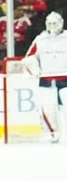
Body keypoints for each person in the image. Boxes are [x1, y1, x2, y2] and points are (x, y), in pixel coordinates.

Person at [23, 11, 67, 143]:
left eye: (55, 23)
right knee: (47, 108)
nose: (53, 26)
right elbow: (29, 57)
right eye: (50, 23)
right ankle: (53, 133)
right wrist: (34, 70)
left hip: (65, 77)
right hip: (46, 79)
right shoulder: (40, 39)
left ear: (61, 23)